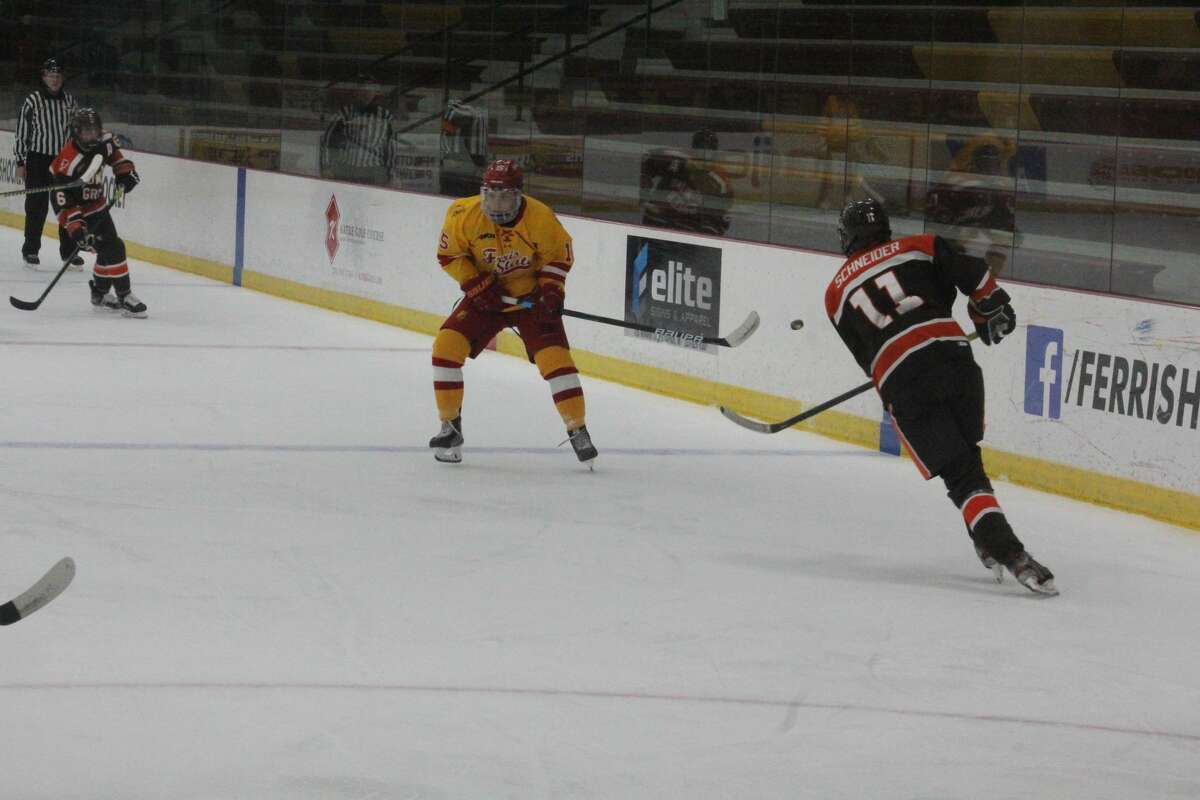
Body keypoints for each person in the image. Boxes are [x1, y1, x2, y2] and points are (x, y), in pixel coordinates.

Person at [824, 198, 1057, 595]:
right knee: (968, 460)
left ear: (847, 237)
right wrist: (988, 311)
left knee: (963, 476)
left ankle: (1012, 554)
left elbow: (868, 359)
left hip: (903, 379)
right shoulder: (921, 245)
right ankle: (984, 537)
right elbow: (977, 276)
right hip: (954, 358)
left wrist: (894, 373)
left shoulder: (835, 294)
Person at [429, 159, 596, 466]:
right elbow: (449, 255)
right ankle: (450, 426)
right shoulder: (462, 214)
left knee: (556, 361)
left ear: (519, 194)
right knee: (445, 348)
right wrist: (476, 284)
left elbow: (558, 258)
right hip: (486, 298)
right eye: (490, 194)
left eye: (504, 195)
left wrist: (551, 290)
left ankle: (578, 428)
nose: (496, 203)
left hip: (528, 296)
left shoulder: (540, 217)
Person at [50, 108, 147, 318]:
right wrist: (76, 227)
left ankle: (100, 294)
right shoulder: (67, 162)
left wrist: (126, 174)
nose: (92, 136)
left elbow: (117, 158)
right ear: (76, 132)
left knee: (108, 247)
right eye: (86, 132)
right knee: (115, 247)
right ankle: (124, 295)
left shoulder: (104, 142)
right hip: (77, 210)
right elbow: (64, 202)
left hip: (98, 204)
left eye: (94, 130)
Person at [14, 57, 82, 270]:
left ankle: (69, 252)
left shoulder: (70, 102)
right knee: (36, 206)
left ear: (62, 78)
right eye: (51, 76)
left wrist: (79, 160)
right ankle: (31, 250)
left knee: (67, 206)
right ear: (43, 77)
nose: (54, 80)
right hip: (37, 159)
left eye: (58, 76)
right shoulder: (33, 101)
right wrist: (19, 161)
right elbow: (22, 133)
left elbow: (76, 133)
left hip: (63, 162)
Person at [639, 129, 733, 236]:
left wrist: (704, 237)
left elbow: (721, 219)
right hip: (658, 222)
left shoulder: (720, 181)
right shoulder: (676, 158)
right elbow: (648, 158)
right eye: (701, 148)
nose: (704, 153)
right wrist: (645, 189)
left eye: (709, 149)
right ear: (693, 148)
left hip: (686, 233)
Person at [318, 78, 395, 187]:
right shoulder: (345, 113)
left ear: (376, 92)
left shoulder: (386, 116)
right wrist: (326, 167)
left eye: (370, 90)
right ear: (357, 92)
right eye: (362, 89)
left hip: (374, 172)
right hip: (347, 169)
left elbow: (391, 148)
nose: (366, 93)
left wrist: (391, 175)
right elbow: (327, 140)